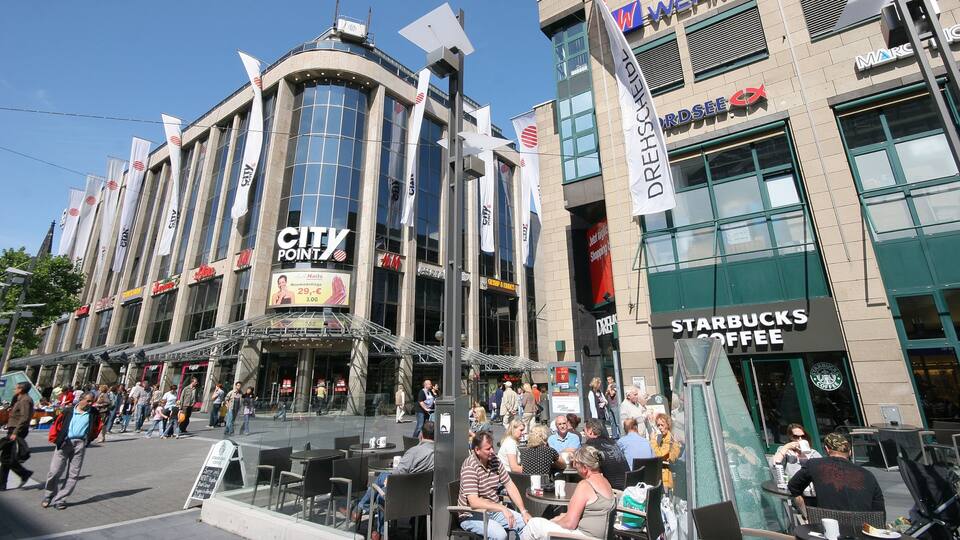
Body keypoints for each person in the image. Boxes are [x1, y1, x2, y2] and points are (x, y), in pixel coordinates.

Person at [354, 421, 436, 540]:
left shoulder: (414, 452)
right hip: (421, 498)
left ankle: (379, 530)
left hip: (401, 496)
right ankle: (361, 508)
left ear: (421, 434)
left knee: (380, 495)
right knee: (383, 475)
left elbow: (398, 473)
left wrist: (391, 481)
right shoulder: (440, 453)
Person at [520, 445, 616, 540]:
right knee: (556, 517)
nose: (574, 466)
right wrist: (558, 519)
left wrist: (552, 523)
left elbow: (570, 524)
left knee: (533, 525)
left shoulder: (585, 485)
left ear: (585, 468)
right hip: (598, 536)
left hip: (583, 536)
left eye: (576, 463)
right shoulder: (605, 481)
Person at [457, 431, 531, 539]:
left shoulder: (495, 460)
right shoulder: (470, 466)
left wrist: (523, 511)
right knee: (500, 535)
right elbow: (474, 502)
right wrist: (502, 508)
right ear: (477, 450)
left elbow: (509, 485)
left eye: (492, 447)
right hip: (471, 515)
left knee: (527, 524)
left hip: (494, 511)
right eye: (488, 449)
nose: (492, 451)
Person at [788, 432, 884, 514]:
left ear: (827, 449)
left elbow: (793, 486)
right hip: (864, 530)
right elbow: (879, 511)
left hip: (828, 528)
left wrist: (805, 513)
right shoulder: (868, 475)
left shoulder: (814, 464)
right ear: (850, 452)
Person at [42, 392, 102, 509]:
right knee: (54, 472)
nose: (90, 404)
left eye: (92, 401)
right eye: (88, 401)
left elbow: (97, 427)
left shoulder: (93, 413)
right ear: (81, 399)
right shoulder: (68, 411)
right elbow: (57, 425)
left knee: (73, 474)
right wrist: (57, 440)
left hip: (79, 444)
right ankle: (48, 494)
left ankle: (61, 499)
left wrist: (88, 439)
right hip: (65, 442)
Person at [1, 382, 35, 490]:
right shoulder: (20, 398)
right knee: (6, 457)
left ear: (21, 389)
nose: (14, 390)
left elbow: (24, 418)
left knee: (6, 457)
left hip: (17, 430)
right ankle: (22, 475)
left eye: (16, 388)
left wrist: (15, 432)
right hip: (13, 429)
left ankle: (23, 474)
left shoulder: (25, 400)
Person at [582, 419, 629, 490]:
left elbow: (583, 464)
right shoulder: (612, 442)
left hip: (614, 489)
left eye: (584, 430)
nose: (584, 433)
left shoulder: (591, 444)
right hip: (627, 486)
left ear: (590, 431)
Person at [649, 413, 682, 489]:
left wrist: (653, 440)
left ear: (668, 424)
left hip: (666, 479)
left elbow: (661, 456)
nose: (660, 427)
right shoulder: (664, 438)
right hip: (664, 477)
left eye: (662, 425)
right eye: (658, 425)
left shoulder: (669, 439)